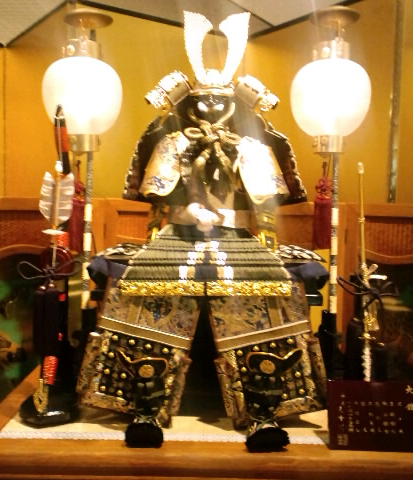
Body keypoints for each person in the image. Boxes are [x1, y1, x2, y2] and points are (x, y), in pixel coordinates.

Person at [75, 11, 328, 451]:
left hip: (238, 240)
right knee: (147, 292)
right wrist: (188, 210)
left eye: (218, 100)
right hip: (178, 236)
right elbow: (157, 200)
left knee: (264, 297)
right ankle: (143, 406)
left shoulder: (250, 145)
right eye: (202, 100)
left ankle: (264, 409)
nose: (210, 107)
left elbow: (265, 207)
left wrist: (259, 238)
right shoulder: (172, 142)